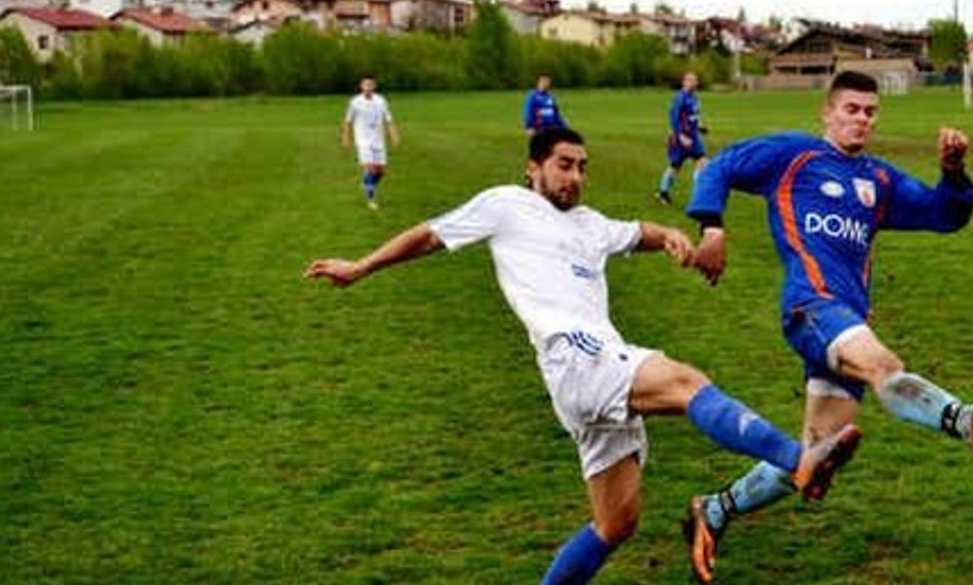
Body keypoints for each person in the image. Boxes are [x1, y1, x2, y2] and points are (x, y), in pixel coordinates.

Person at [304, 127, 861, 585]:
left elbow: (633, 232)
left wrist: (670, 234)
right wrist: (361, 266)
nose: (575, 176)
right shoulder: (507, 204)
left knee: (616, 524)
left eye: (582, 167)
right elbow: (428, 236)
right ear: (534, 168)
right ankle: (800, 459)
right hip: (576, 358)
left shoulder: (590, 224)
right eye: (564, 165)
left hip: (593, 370)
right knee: (687, 382)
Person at [679, 72, 973, 583]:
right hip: (810, 307)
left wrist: (953, 172)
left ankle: (716, 508)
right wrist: (711, 226)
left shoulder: (878, 181)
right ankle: (968, 420)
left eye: (870, 111)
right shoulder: (792, 156)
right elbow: (721, 165)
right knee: (884, 365)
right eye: (852, 108)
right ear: (827, 112)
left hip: (846, 321)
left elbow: (943, 214)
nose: (862, 118)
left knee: (815, 454)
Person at [342, 76, 400, 210]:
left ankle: (366, 183)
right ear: (361, 86)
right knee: (370, 168)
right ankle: (371, 200)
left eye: (370, 84)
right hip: (363, 140)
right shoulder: (355, 102)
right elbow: (348, 121)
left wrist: (394, 134)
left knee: (380, 171)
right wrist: (346, 137)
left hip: (378, 140)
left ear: (374, 86)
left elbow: (388, 119)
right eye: (365, 84)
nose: (368, 87)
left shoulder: (381, 100)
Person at [656, 72, 709, 205]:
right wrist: (680, 135)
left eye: (695, 80)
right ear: (684, 82)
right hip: (681, 137)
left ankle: (698, 195)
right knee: (675, 166)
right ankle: (663, 192)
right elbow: (674, 117)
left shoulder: (694, 97)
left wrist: (700, 127)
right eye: (690, 80)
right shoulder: (680, 98)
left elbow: (693, 116)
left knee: (702, 162)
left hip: (693, 137)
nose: (694, 82)